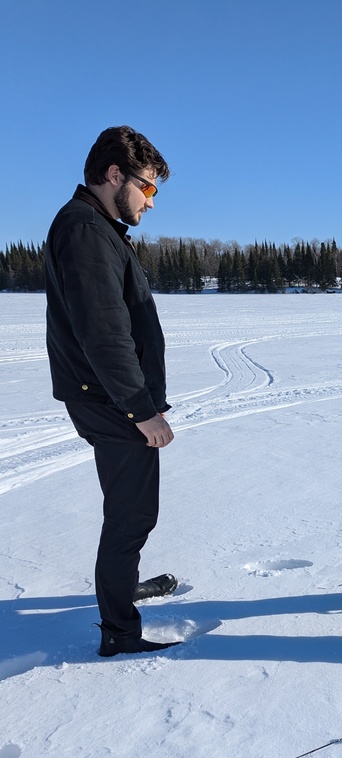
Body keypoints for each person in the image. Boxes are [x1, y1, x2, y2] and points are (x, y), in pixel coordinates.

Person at [45, 126, 180, 657]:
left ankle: (120, 592)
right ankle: (120, 632)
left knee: (131, 510)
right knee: (131, 515)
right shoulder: (84, 230)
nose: (151, 202)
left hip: (110, 397)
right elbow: (103, 331)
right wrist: (142, 410)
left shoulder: (98, 227)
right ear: (113, 175)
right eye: (147, 188)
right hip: (109, 400)